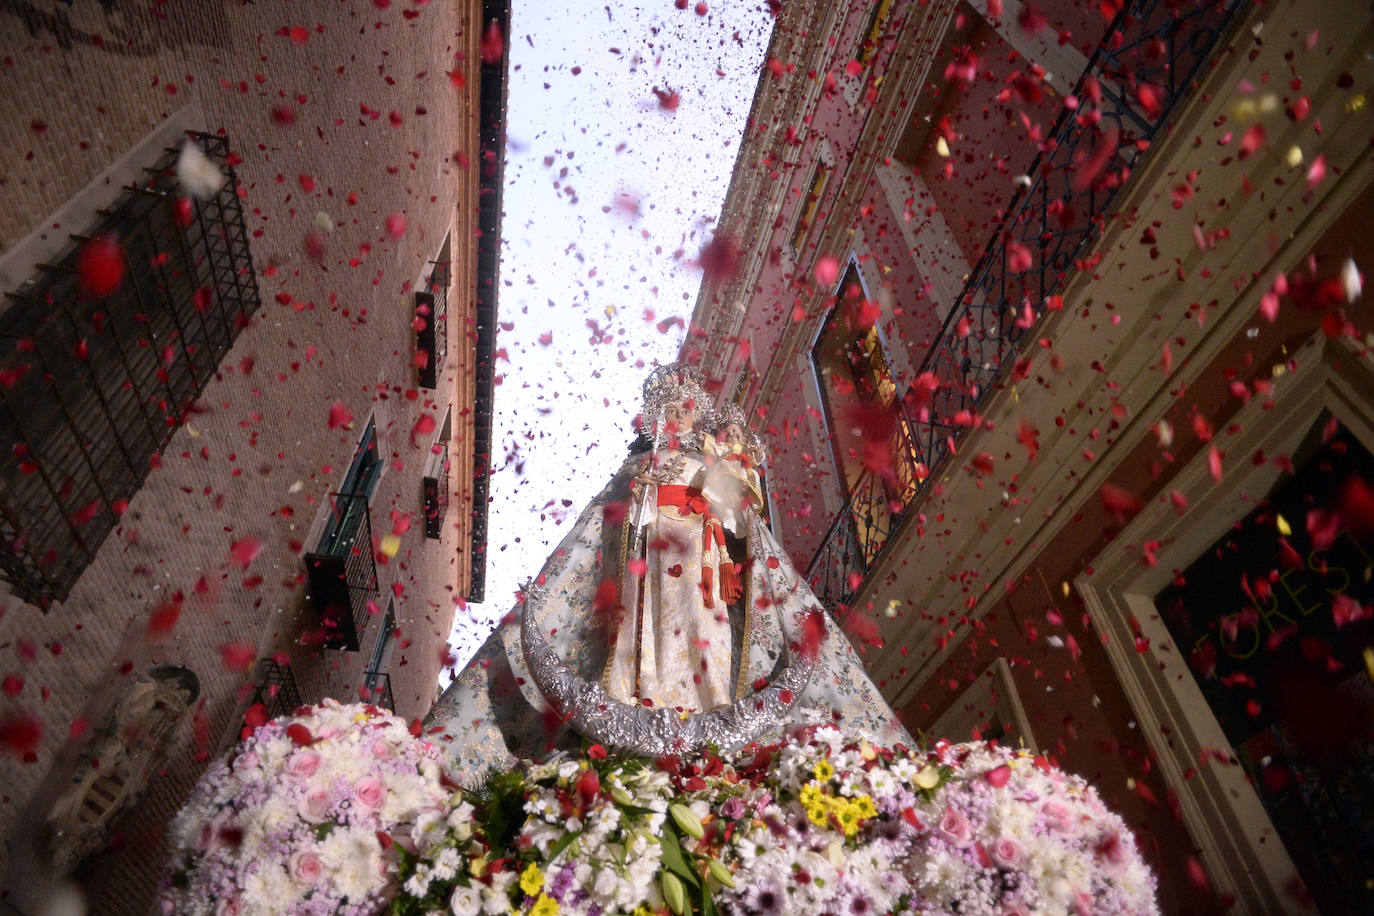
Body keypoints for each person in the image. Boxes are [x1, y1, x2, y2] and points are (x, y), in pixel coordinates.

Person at [425, 363, 909, 785]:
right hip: (650, 556)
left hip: (699, 553)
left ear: (696, 414)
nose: (677, 417)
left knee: (704, 622)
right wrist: (642, 495)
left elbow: (740, 517)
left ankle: (712, 696)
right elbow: (611, 527)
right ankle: (641, 691)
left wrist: (725, 481)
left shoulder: (708, 459)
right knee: (646, 620)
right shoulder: (642, 462)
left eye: (684, 408)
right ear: (659, 416)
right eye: (669, 409)